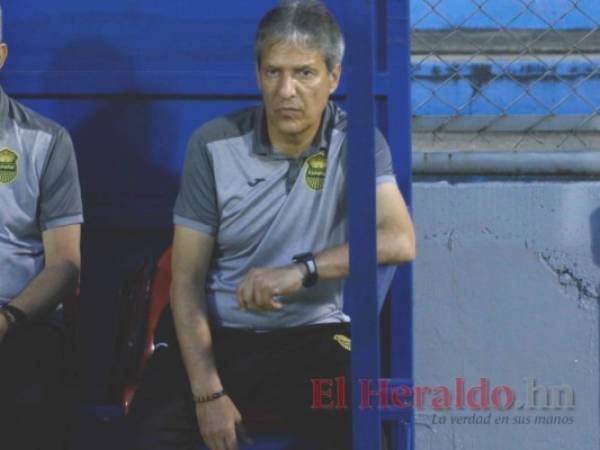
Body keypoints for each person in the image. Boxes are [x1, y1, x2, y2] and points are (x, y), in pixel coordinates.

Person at [127, 1, 415, 449]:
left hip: (311, 336)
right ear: (257, 75)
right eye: (273, 73)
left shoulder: (356, 142)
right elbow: (185, 278)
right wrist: (208, 394)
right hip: (219, 334)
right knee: (148, 435)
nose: (286, 91)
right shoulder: (214, 144)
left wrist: (301, 271)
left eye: (304, 73)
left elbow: (399, 239)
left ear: (333, 77)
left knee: (357, 433)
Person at [0, 5, 83, 450]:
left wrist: (6, 319)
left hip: (20, 323)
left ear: (0, 55)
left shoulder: (47, 142)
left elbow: (66, 264)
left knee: (31, 402)